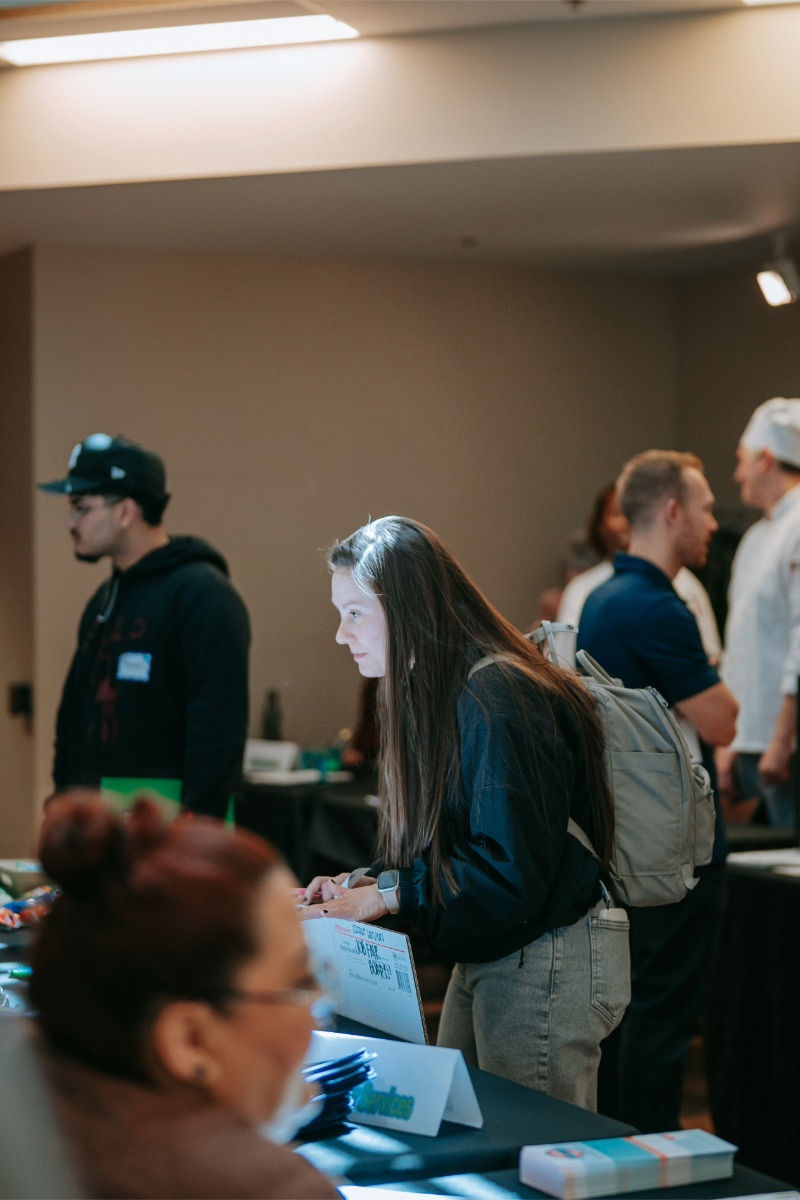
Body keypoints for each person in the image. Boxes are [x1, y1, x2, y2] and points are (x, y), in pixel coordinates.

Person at [301, 516, 630, 1111]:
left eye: (354, 612)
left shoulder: (498, 694)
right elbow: (457, 845)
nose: (340, 633)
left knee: (529, 1160)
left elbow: (509, 875)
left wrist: (391, 894)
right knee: (470, 1135)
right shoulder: (450, 689)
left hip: (545, 956)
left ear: (407, 608)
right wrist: (362, 884)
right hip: (503, 948)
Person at [29, 794, 341, 1200]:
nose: (315, 1017)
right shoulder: (275, 1189)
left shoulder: (32, 1104)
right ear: (189, 1038)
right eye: (299, 985)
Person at [577, 450, 738, 1133]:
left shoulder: (602, 597)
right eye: (703, 508)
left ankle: (623, 1151)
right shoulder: (655, 606)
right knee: (662, 1020)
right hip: (670, 852)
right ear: (671, 512)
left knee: (628, 1015)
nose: (711, 523)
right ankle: (651, 1165)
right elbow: (724, 718)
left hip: (623, 841)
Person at [38, 433, 250, 818]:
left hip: (169, 823)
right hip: (98, 821)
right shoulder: (104, 599)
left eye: (81, 508)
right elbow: (72, 714)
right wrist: (62, 803)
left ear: (125, 511)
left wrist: (198, 825)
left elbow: (218, 728)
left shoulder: (202, 594)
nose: (70, 522)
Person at [717, 397, 800, 829]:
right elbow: (741, 645)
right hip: (751, 741)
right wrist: (727, 739)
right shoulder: (754, 538)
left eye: (742, 461)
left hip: (784, 749)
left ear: (766, 459)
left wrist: (783, 739)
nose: (737, 474)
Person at [556, 483, 721, 668]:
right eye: (617, 513)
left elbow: (710, 654)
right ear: (600, 525)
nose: (626, 521)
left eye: (632, 513)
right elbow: (564, 664)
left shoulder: (683, 581)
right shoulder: (580, 589)